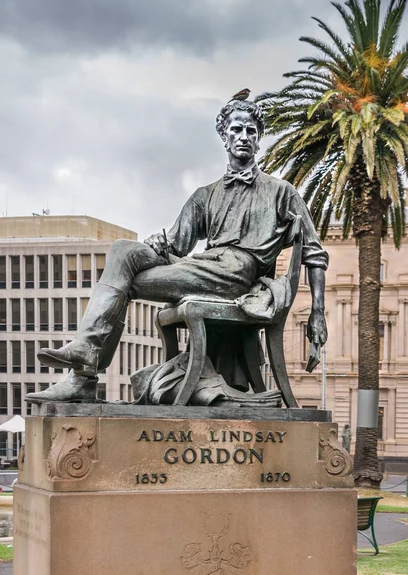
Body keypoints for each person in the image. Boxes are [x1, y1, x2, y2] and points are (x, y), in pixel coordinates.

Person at [26, 99, 328, 403]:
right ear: (224, 137)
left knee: (124, 284)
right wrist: (157, 243)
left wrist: (317, 312)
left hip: (237, 274)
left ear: (258, 139)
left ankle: (83, 373)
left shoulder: (280, 191)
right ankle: (85, 356)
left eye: (251, 131)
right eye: (236, 130)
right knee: (123, 250)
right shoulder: (205, 195)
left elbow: (314, 253)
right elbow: (175, 243)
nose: (244, 136)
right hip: (205, 266)